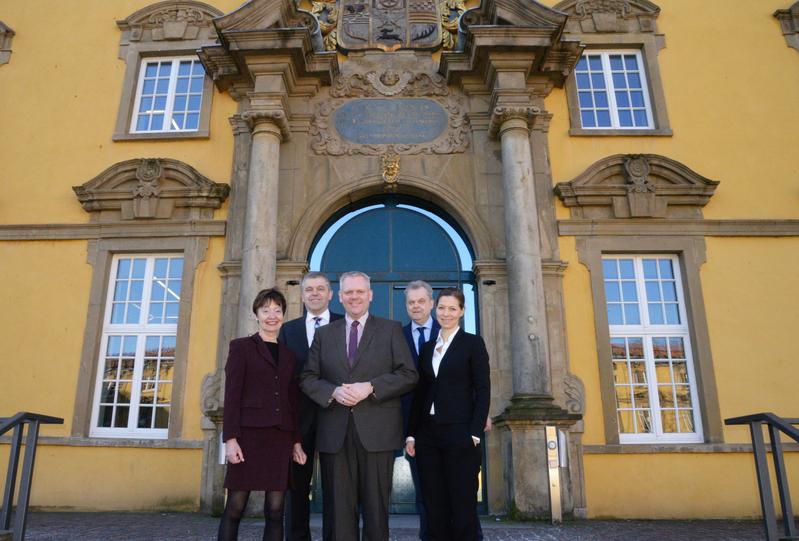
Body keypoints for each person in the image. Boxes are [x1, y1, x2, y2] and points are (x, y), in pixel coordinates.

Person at [301, 271, 418, 541]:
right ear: (340, 297)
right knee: (339, 510)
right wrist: (332, 391)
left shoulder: (390, 329)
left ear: (370, 295)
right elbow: (307, 377)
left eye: (360, 292)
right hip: (335, 433)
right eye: (349, 292)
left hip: (378, 433)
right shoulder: (324, 334)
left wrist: (372, 387)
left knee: (377, 511)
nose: (354, 297)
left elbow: (408, 375)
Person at [218, 289, 307, 541]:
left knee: (276, 510)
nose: (272, 316)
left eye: (277, 310)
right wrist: (231, 438)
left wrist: (296, 441)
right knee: (235, 506)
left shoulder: (290, 355)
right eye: (266, 310)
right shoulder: (241, 347)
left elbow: (293, 401)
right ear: (256, 314)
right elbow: (232, 395)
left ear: (283, 316)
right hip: (247, 437)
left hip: (280, 437)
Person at [406, 288, 490, 541]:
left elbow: (483, 388)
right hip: (428, 434)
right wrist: (411, 434)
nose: (446, 313)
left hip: (461, 432)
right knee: (434, 503)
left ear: (462, 312)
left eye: (452, 308)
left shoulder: (473, 343)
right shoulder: (428, 347)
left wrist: (475, 432)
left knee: (462, 503)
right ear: (435, 309)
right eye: (442, 308)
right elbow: (420, 393)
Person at [278, 272, 343, 541]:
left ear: (330, 294)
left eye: (320, 289)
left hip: (338, 417)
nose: (314, 294)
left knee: (337, 487)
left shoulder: (345, 324)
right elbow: (280, 378)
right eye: (309, 290)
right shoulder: (288, 330)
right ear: (302, 295)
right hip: (298, 421)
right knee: (296, 487)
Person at [401, 281, 440, 541]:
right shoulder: (397, 335)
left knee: (454, 491)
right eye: (411, 302)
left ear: (431, 303)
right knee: (424, 493)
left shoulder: (449, 333)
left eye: (421, 301)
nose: (416, 306)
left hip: (447, 423)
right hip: (411, 425)